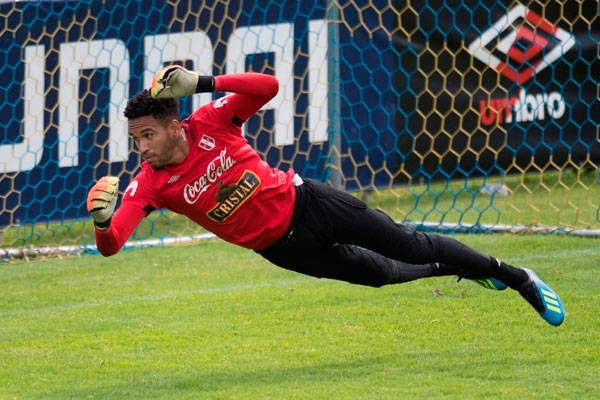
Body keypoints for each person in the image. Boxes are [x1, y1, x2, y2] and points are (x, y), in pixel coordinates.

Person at [87, 65, 565, 326]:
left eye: (147, 135)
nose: (141, 147)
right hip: (282, 249)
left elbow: (269, 87)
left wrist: (204, 83)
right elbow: (113, 244)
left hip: (311, 204)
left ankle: (519, 277)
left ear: (174, 126)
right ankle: (464, 267)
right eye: (136, 139)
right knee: (380, 276)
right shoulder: (149, 184)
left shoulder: (210, 120)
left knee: (410, 244)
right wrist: (103, 222)